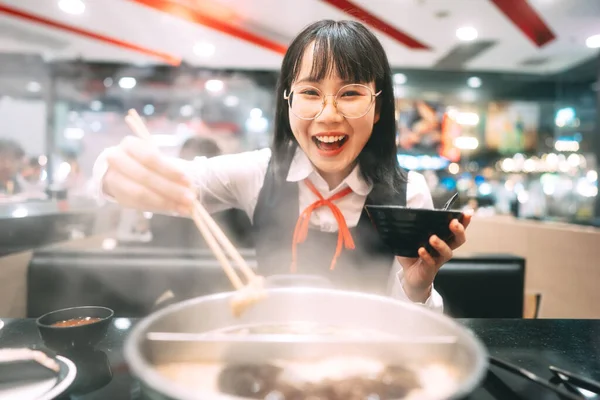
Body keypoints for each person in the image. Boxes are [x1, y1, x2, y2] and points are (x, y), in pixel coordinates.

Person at [92, 20, 470, 311]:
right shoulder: (259, 173)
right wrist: (113, 171)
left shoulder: (409, 192)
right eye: (309, 92)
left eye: (351, 93)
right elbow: (179, 179)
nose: (328, 115)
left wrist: (419, 286)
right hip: (272, 354)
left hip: (364, 363)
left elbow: (411, 329)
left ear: (378, 109)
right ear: (288, 102)